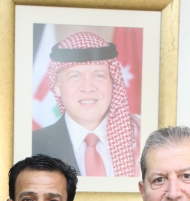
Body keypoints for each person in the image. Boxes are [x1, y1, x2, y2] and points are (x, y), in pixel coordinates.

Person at [32, 31, 140, 177]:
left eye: (99, 75)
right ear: (57, 86)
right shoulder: (33, 145)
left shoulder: (142, 138)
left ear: (113, 82)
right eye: (75, 76)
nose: (88, 88)